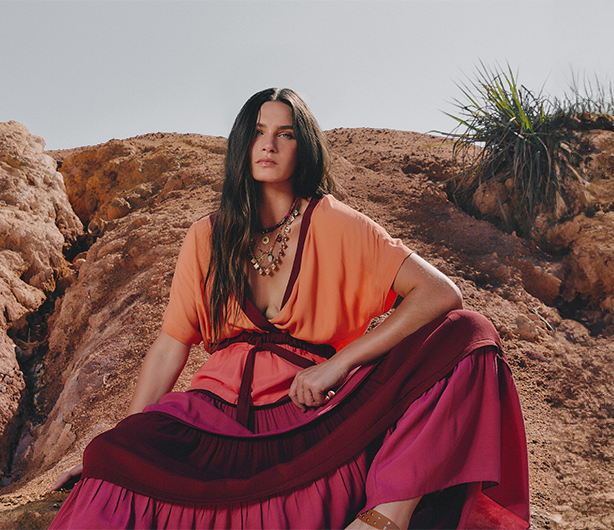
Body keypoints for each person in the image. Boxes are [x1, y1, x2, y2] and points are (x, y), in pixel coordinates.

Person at [48, 88, 530, 529]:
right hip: (213, 413)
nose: (269, 145)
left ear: (304, 148)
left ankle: (386, 516)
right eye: (258, 132)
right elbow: (172, 342)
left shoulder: (338, 223)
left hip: (310, 412)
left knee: (470, 334)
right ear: (242, 143)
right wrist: (120, 441)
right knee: (112, 459)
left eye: (285, 134)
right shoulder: (207, 236)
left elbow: (440, 293)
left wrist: (338, 365)